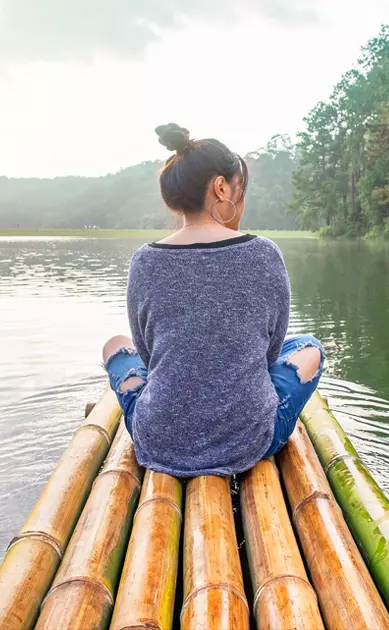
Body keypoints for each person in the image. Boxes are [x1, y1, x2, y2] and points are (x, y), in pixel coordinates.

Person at [102, 123, 324, 477]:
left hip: (158, 441)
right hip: (247, 441)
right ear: (221, 187)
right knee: (309, 347)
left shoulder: (144, 260)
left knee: (116, 346)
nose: (241, 201)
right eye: (241, 190)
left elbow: (147, 355)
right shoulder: (264, 254)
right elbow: (269, 354)